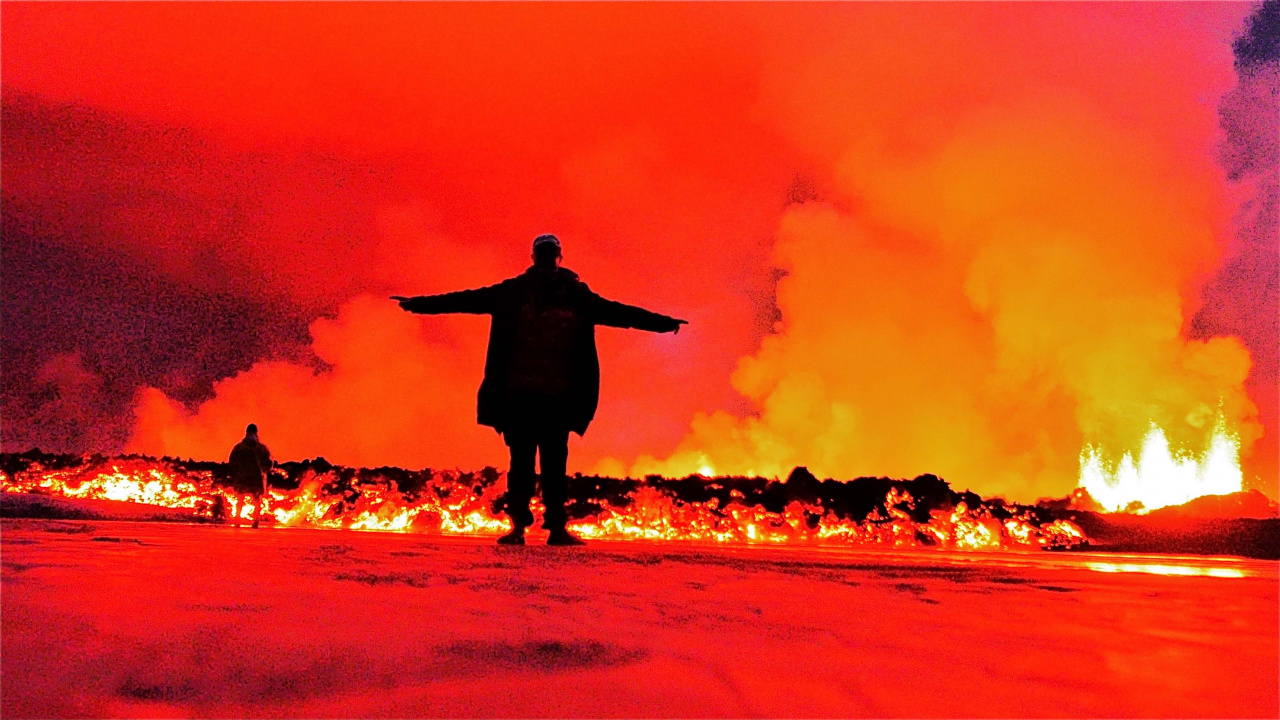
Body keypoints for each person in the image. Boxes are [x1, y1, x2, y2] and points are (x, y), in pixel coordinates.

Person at [393, 234, 686, 546]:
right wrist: (420, 305)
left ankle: (553, 528)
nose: (547, 261)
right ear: (536, 258)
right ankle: (522, 526)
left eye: (551, 255)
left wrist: (662, 323)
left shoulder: (575, 296)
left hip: (556, 399)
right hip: (521, 397)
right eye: (543, 255)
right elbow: (466, 300)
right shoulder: (514, 293)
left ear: (558, 258)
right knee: (523, 465)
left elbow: (621, 314)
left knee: (552, 466)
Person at [226, 423, 273, 528]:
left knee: (240, 499)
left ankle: (237, 521)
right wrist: (265, 471)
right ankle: (255, 522)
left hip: (242, 478)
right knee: (256, 500)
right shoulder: (261, 448)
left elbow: (232, 462)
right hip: (256, 479)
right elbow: (268, 463)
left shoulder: (238, 447)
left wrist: (234, 475)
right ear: (256, 433)